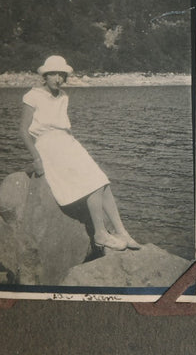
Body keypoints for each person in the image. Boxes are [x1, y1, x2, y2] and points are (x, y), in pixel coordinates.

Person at [20, 55, 139, 253]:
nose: (58, 78)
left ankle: (121, 231)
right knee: (92, 183)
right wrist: (36, 158)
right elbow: (24, 131)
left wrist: (73, 147)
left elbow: (63, 127)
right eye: (53, 74)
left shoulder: (63, 96)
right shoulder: (32, 96)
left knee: (103, 181)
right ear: (45, 76)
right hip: (48, 146)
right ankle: (100, 233)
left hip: (68, 143)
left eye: (61, 74)